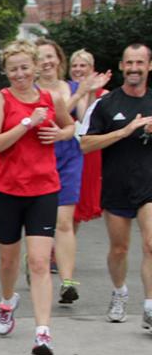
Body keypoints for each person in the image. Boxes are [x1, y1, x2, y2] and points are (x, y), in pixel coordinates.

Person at [0, 40, 76, 355]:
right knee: (8, 260)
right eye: (13, 69)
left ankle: (42, 333)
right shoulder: (1, 99)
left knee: (38, 262)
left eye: (25, 67)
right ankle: (7, 302)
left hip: (44, 190)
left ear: (36, 68)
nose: (20, 74)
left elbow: (70, 125)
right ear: (6, 72)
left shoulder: (51, 98)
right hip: (6, 191)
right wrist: (26, 123)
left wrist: (60, 134)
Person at [79, 43, 152, 330]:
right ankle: (119, 292)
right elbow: (84, 144)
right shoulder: (106, 104)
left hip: (149, 186)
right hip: (116, 186)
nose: (134, 68)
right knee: (119, 249)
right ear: (122, 66)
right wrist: (123, 131)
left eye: (140, 63)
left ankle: (149, 305)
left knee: (150, 244)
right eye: (129, 63)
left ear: (149, 66)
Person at [35, 38, 109, 304]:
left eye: (51, 56)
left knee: (65, 222)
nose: (47, 62)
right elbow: (50, 115)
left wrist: (89, 92)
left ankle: (67, 282)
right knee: (41, 223)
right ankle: (34, 259)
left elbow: (85, 118)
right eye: (41, 57)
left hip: (69, 157)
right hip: (39, 158)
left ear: (59, 59)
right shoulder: (31, 91)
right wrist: (79, 94)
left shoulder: (74, 86)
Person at [69, 50, 109, 227]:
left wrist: (91, 92)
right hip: (65, 150)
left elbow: (88, 120)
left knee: (75, 211)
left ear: (92, 68)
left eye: (82, 65)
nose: (78, 69)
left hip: (88, 153)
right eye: (74, 65)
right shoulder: (66, 89)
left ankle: (58, 251)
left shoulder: (104, 93)